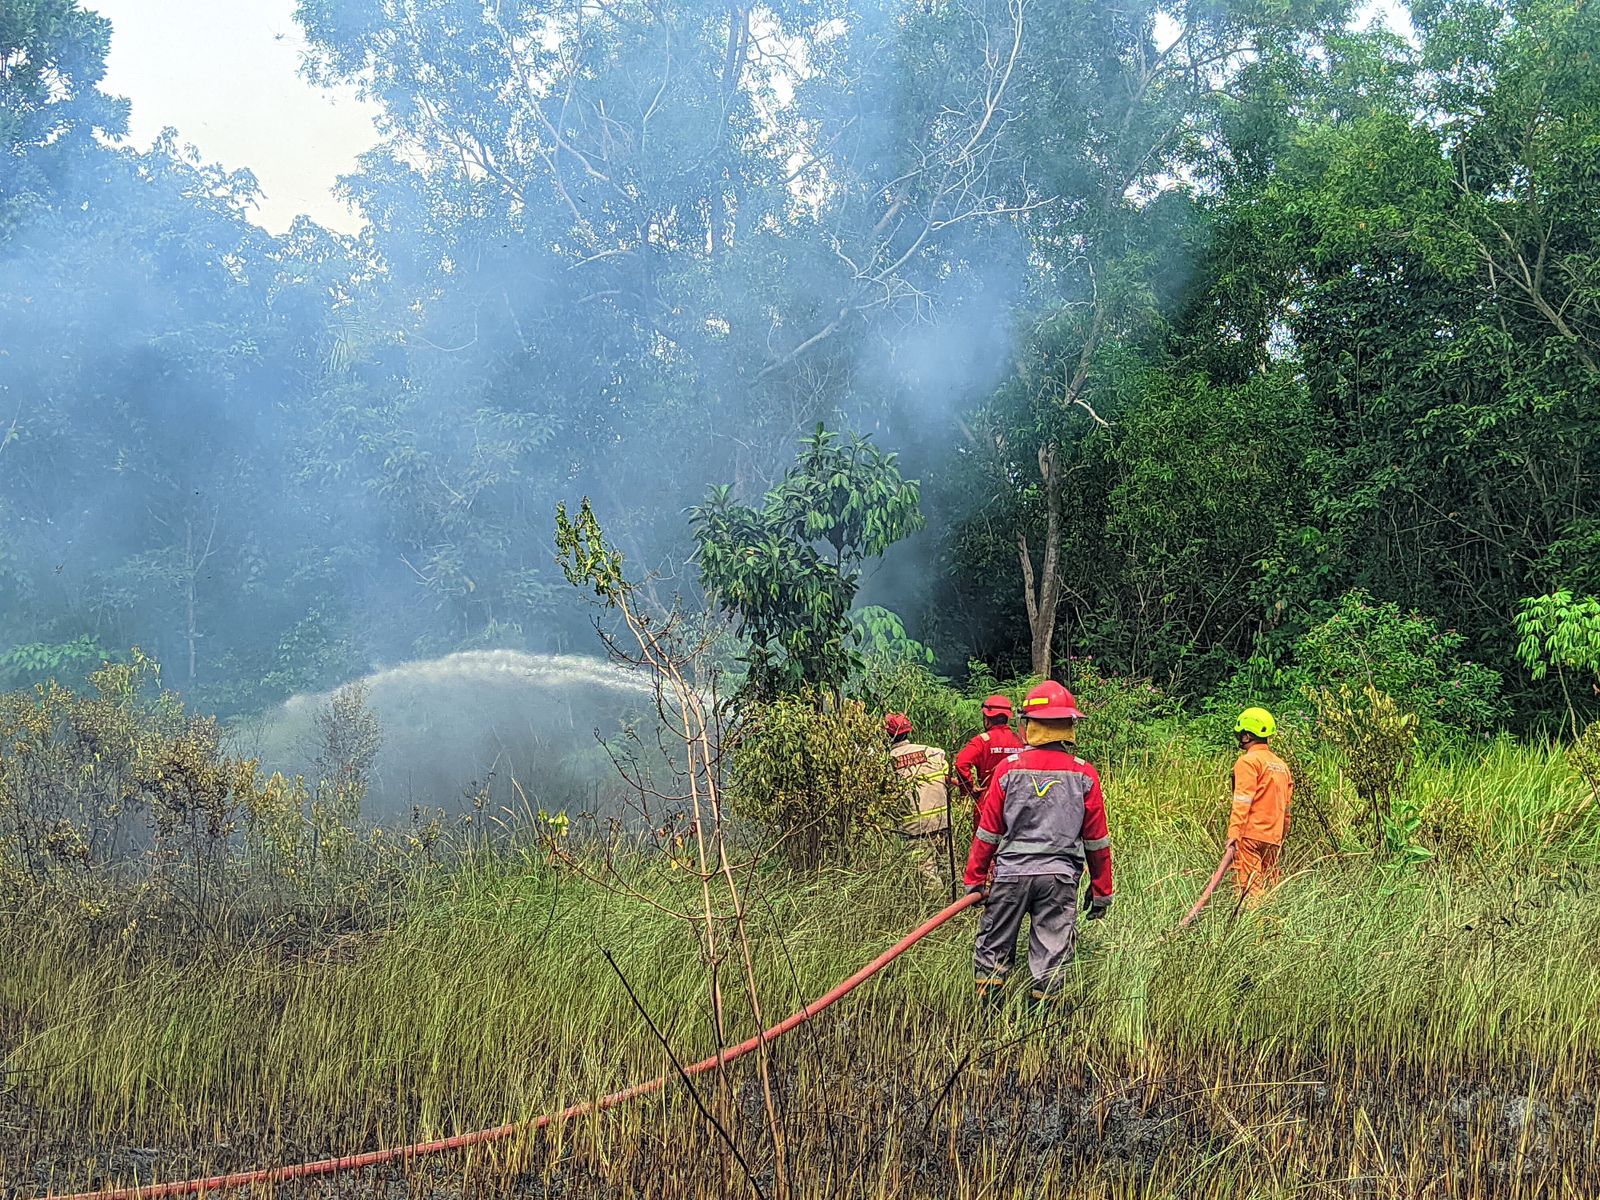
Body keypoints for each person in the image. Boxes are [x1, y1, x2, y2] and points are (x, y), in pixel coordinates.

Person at [963, 680, 1112, 1008]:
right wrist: (1101, 890)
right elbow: (1096, 841)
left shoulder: (1008, 769)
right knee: (1051, 956)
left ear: (1029, 724)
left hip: (1011, 876)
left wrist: (974, 879)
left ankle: (988, 1019)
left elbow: (988, 832)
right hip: (1059, 880)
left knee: (993, 948)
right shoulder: (1084, 774)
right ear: (1069, 725)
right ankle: (1041, 1024)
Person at [1228, 706, 1293, 903]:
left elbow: (1242, 801)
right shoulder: (1282, 766)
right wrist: (1280, 836)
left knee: (1250, 892)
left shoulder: (1248, 762)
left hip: (1250, 836)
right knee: (1271, 888)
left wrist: (1234, 834)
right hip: (1273, 838)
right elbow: (1287, 809)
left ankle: (1254, 922)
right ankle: (1273, 921)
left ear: (1247, 735)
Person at [886, 712, 951, 883]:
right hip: (942, 822)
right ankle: (960, 899)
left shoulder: (888, 763)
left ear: (887, 735)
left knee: (927, 876)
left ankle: (935, 901)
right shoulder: (933, 752)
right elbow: (949, 779)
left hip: (915, 828)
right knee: (949, 870)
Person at [951, 694, 1024, 800]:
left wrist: (969, 789)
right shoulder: (1021, 740)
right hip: (1018, 800)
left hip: (989, 799)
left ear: (986, 720)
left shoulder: (982, 741)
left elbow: (961, 763)